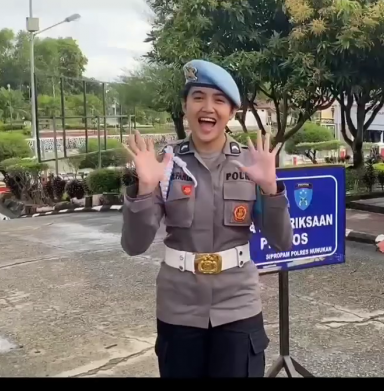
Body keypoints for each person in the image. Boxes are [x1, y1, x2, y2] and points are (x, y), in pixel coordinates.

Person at [120, 59, 293, 378]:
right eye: (198, 97)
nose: (208, 108)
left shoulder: (251, 164)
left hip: (237, 305)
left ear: (232, 112)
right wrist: (144, 188)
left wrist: (271, 189)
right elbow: (134, 245)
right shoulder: (166, 165)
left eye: (219, 100)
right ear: (185, 106)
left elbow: (282, 241)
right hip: (179, 307)